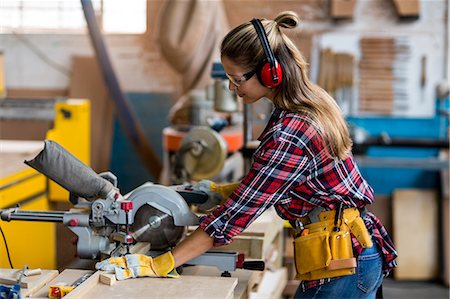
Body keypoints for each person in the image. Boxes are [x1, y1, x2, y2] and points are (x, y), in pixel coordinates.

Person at [97, 11, 397, 299]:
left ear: (270, 71)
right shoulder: (303, 105)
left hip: (340, 263)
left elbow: (232, 218)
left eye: (237, 78)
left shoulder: (290, 132)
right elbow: (280, 186)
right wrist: (217, 192)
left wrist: (159, 263)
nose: (231, 86)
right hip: (346, 250)